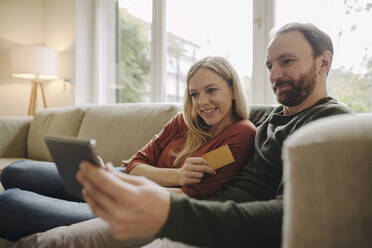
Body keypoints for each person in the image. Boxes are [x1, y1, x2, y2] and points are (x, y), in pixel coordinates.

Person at [8, 22, 352, 248]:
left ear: (323, 63)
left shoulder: (331, 124)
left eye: (287, 61)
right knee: (35, 212)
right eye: (269, 66)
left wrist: (168, 209)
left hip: (198, 220)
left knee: (47, 234)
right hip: (183, 209)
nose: (275, 74)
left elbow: (289, 215)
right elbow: (142, 161)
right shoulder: (270, 118)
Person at [0, 56, 256, 241]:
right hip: (121, 176)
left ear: (232, 89)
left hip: (135, 200)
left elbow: (191, 193)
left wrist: (135, 180)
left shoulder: (241, 133)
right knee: (17, 171)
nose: (202, 102)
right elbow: (135, 163)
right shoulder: (182, 121)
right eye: (194, 94)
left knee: (9, 203)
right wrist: (175, 175)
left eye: (211, 90)